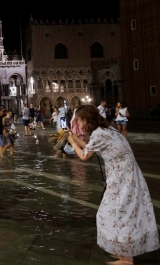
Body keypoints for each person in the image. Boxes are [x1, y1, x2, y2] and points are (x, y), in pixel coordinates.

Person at [67, 105, 159, 264]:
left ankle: (126, 258)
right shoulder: (107, 130)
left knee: (115, 214)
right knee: (122, 213)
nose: (78, 124)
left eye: (78, 120)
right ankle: (123, 252)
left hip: (123, 179)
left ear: (85, 120)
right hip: (126, 176)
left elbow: (84, 155)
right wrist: (73, 137)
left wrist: (70, 141)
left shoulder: (98, 134)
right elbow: (91, 148)